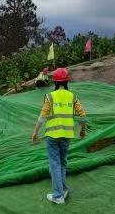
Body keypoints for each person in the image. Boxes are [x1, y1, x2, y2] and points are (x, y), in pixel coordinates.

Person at [31, 68, 87, 204]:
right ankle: (63, 189)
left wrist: (35, 132)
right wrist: (82, 130)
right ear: (67, 81)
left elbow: (42, 116)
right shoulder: (72, 96)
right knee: (62, 162)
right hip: (67, 135)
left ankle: (58, 196)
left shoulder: (50, 96)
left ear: (55, 82)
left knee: (55, 164)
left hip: (52, 136)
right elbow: (83, 116)